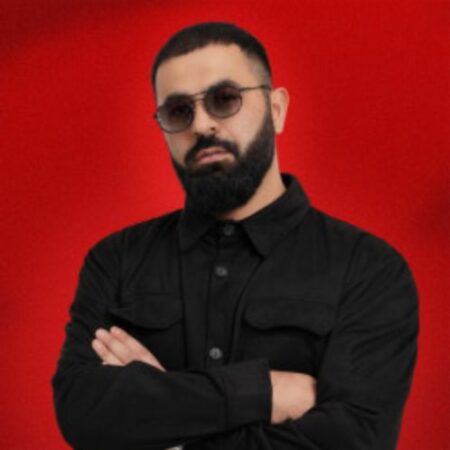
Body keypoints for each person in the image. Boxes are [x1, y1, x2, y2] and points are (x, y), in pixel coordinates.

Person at [51, 21, 420, 450]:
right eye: (178, 111)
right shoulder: (116, 260)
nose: (201, 125)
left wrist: (168, 429)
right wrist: (263, 391)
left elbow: (351, 440)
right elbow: (81, 411)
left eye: (224, 99)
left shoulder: (369, 270)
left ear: (276, 110)